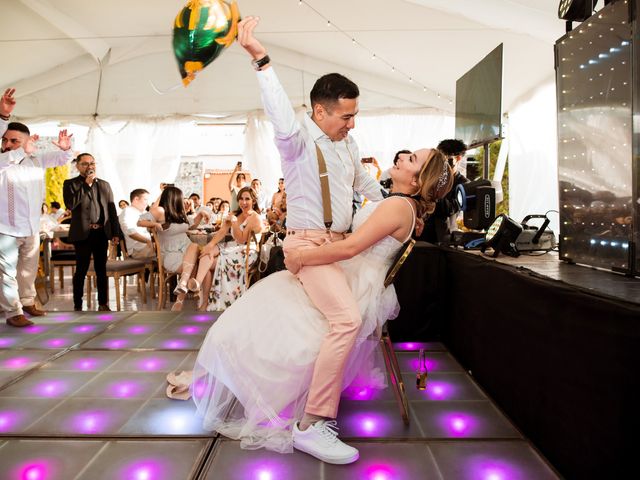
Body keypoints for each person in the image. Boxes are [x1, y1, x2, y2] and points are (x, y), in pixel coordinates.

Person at [188, 148, 453, 463]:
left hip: (357, 278)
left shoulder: (398, 206)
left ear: (419, 177)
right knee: (288, 304)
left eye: (412, 160)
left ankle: (311, 421)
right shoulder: (399, 203)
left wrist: (303, 257)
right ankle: (304, 412)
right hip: (355, 273)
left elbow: (353, 246)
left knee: (324, 317)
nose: (402, 157)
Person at [206, 16, 386, 463]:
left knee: (343, 321)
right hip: (309, 245)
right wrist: (260, 59)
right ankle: (311, 425)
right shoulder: (299, 140)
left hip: (340, 245)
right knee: (345, 321)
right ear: (320, 112)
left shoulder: (345, 145)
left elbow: (368, 186)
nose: (352, 124)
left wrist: (398, 208)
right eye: (347, 116)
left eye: (355, 115)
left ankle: (314, 396)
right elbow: (280, 115)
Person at [0, 88, 75, 327]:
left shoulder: (36, 160)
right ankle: (13, 313)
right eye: (5, 139)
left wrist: (65, 149)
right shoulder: (3, 159)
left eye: (15, 141)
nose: (8, 143)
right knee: (7, 273)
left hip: (31, 226)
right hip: (5, 227)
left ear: (26, 141)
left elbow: (63, 160)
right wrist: (3, 116)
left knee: (28, 271)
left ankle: (28, 301)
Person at [63, 153, 120, 312]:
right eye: (85, 164)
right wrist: (85, 186)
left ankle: (103, 303)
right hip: (82, 234)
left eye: (92, 163)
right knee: (81, 270)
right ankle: (77, 304)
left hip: (101, 233)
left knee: (101, 269)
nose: (90, 167)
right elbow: (70, 204)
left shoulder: (104, 185)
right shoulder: (70, 184)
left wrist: (115, 232)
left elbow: (111, 210)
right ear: (78, 166)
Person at [421, 139, 469, 244]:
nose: (443, 162)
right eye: (440, 158)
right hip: (421, 233)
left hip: (442, 237)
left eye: (448, 159)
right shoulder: (431, 177)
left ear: (458, 158)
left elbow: (449, 209)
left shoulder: (463, 184)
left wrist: (439, 183)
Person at [119, 188, 154, 259]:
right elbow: (131, 232)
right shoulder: (127, 211)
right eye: (145, 199)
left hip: (147, 246)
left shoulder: (144, 213)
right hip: (138, 249)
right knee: (168, 252)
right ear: (136, 199)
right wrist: (148, 241)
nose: (147, 203)